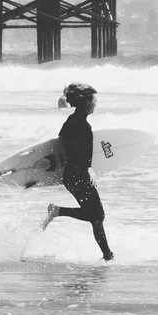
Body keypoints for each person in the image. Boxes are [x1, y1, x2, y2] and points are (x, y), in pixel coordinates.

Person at [40, 82, 113, 260]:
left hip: (71, 176)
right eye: (94, 100)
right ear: (86, 102)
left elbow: (60, 146)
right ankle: (57, 211)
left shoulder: (71, 122)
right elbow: (79, 152)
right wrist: (89, 170)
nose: (96, 104)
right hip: (78, 175)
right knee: (97, 215)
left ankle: (107, 255)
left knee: (96, 216)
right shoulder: (82, 125)